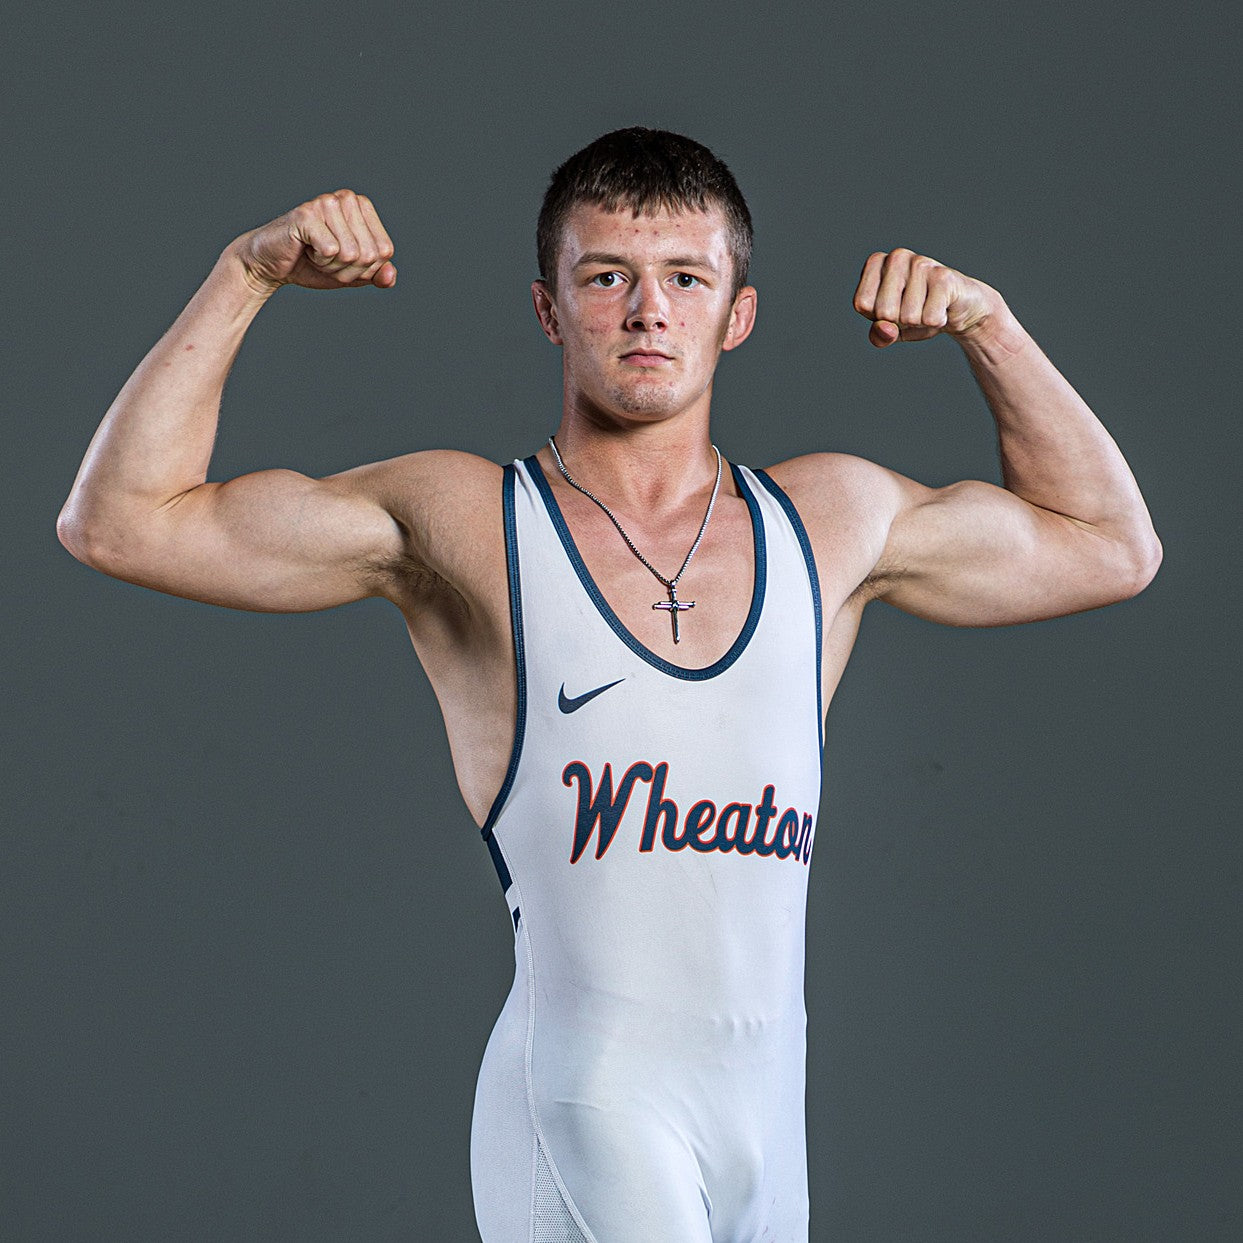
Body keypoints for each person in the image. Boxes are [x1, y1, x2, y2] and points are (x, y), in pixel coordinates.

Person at [57, 128, 1161, 1242]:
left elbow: (1112, 546)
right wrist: (244, 274)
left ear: (737, 315)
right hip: (588, 1105)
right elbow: (120, 522)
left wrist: (988, 326)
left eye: (685, 278)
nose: (647, 312)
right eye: (605, 279)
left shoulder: (831, 523)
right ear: (548, 310)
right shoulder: (467, 520)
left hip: (768, 1130)